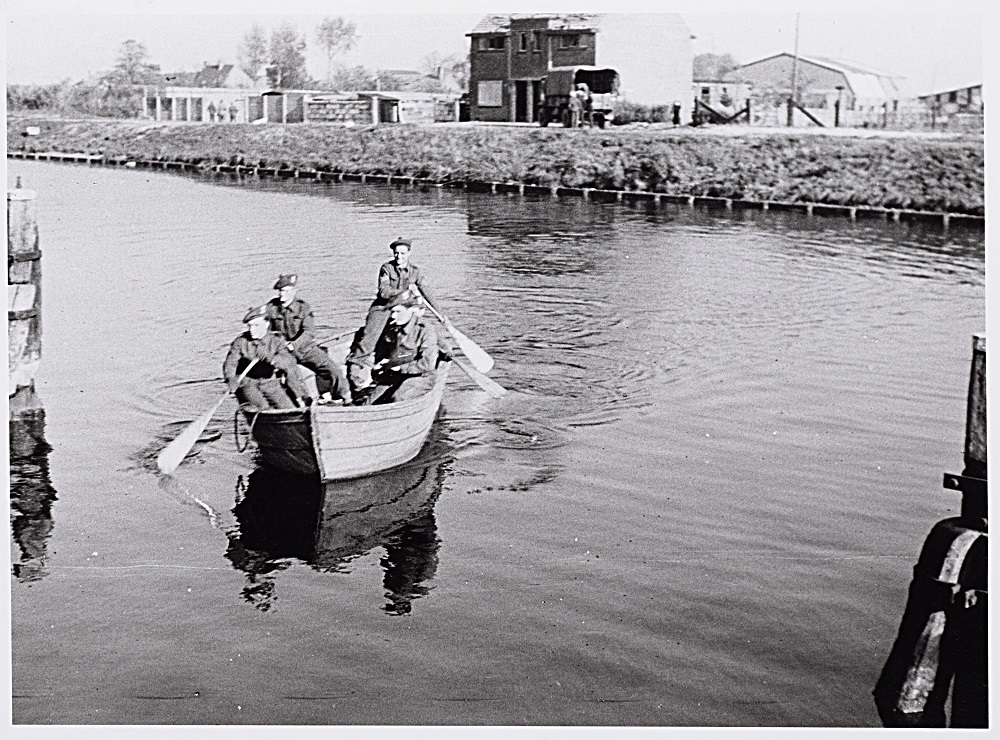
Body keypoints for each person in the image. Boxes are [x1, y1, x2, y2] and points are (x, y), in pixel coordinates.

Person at [346, 238, 438, 395]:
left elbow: (426, 292)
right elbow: (384, 292)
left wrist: (441, 314)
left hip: (405, 308)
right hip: (384, 307)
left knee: (420, 330)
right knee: (369, 339)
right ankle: (355, 375)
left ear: (409, 253)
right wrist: (406, 293)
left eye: (402, 253)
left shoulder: (416, 271)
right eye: (396, 253)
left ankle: (439, 352)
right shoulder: (386, 269)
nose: (399, 257)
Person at [265, 273, 351, 405]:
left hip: (305, 349)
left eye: (286, 291)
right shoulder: (272, 308)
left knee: (333, 369)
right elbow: (268, 333)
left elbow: (309, 332)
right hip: (284, 352)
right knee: (291, 375)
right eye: (281, 291)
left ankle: (345, 397)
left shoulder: (303, 307)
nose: (282, 294)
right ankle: (303, 403)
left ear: (294, 292)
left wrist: (294, 345)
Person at [223, 305, 311, 410]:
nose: (252, 330)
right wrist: (230, 379)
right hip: (248, 384)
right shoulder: (241, 342)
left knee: (289, 408)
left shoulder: (275, 340)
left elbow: (289, 361)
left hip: (270, 382)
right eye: (250, 326)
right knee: (262, 408)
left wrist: (271, 358)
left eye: (256, 325)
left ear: (266, 324)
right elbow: (230, 363)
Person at [362, 293, 439, 405]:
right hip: (395, 376)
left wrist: (401, 368)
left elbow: (428, 364)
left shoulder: (425, 330)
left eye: (398, 312)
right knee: (368, 404)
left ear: (411, 310)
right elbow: (383, 353)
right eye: (392, 312)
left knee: (398, 399)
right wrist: (380, 365)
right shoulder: (392, 329)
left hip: (420, 377)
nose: (393, 316)